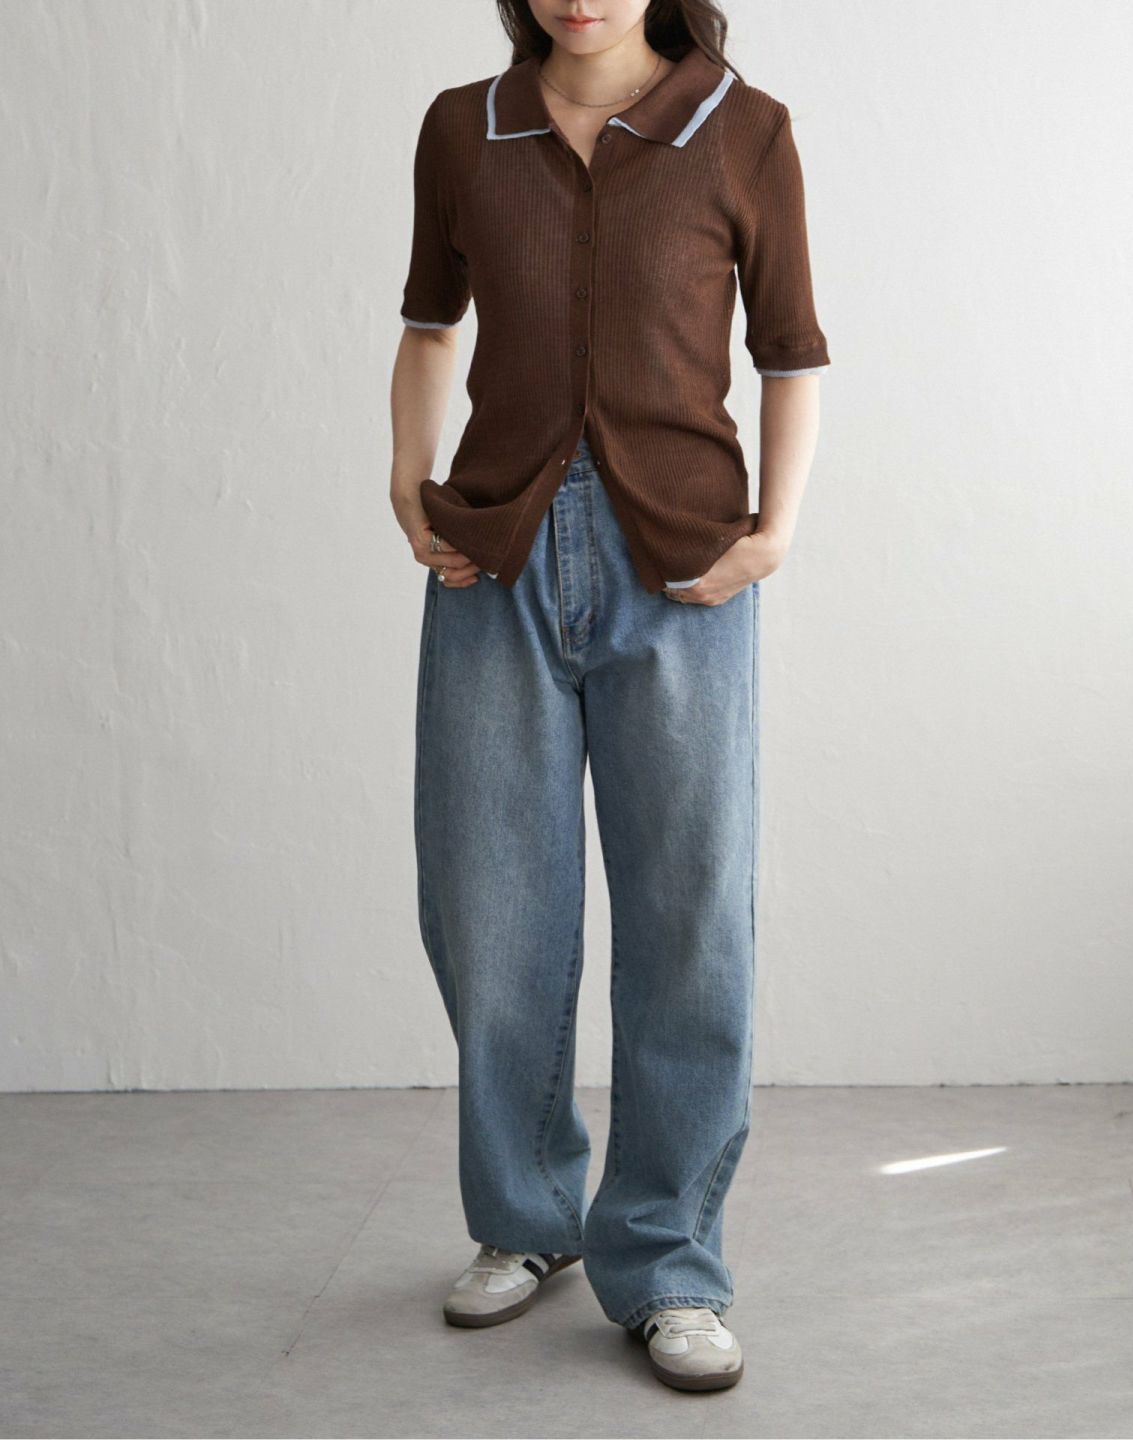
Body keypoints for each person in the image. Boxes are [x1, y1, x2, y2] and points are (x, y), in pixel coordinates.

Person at [389, 0, 829, 1393]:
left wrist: (775, 532)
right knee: (490, 908)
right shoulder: (465, 126)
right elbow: (428, 325)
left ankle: (670, 1260)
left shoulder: (744, 130)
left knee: (689, 917)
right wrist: (407, 483)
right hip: (498, 560)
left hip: (679, 571)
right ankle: (526, 1218)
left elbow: (790, 352)